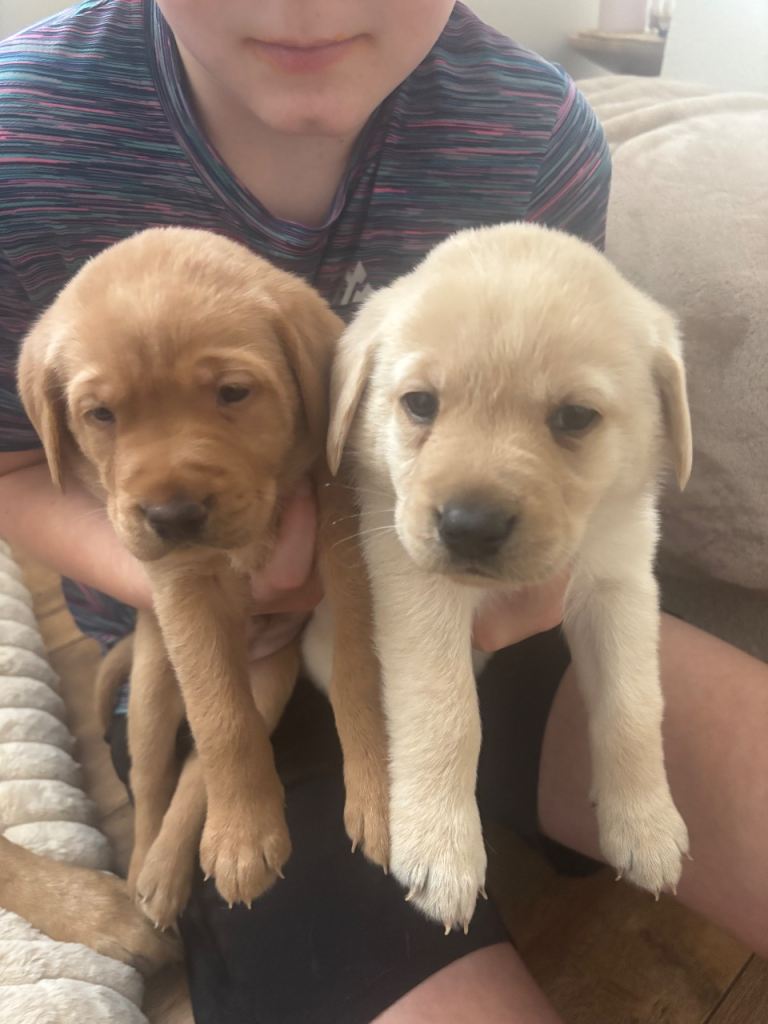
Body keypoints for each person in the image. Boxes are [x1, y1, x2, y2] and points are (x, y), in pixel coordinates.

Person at [0, 2, 765, 1022]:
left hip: (505, 606)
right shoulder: (25, 129)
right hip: (226, 663)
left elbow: (584, 418)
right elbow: (16, 464)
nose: (304, 4)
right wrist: (207, 573)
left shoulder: (533, 130)